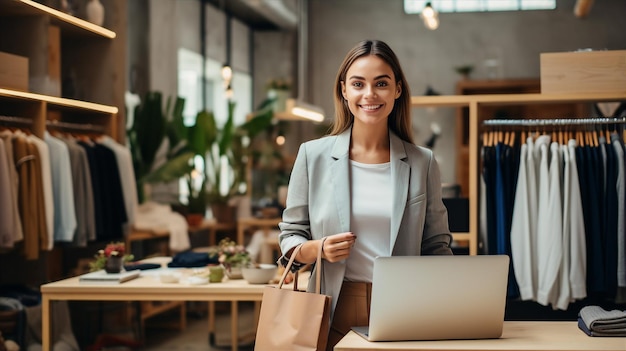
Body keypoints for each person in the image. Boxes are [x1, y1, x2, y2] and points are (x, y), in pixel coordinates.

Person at [277, 39, 453, 350]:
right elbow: (290, 237)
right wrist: (318, 249)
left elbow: (436, 245)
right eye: (358, 84)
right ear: (344, 90)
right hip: (334, 303)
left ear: (397, 89)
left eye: (381, 83)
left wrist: (453, 304)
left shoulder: (422, 161)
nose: (369, 94)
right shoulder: (312, 156)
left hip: (406, 305)